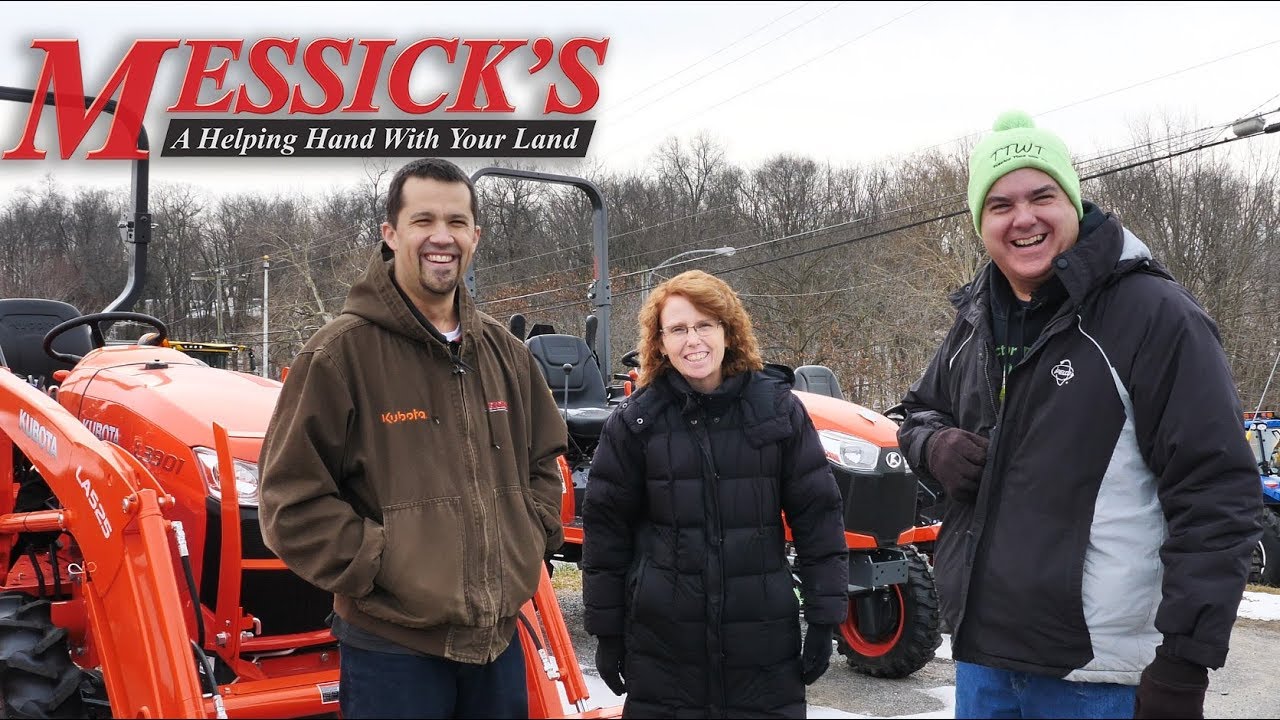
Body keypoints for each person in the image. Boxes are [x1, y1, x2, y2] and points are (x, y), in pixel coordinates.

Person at [897, 111, 1263, 719]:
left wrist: (1184, 662)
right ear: (981, 224)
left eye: (1042, 196)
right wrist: (935, 447)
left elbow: (1216, 493)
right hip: (983, 662)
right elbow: (914, 414)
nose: (1023, 218)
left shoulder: (1155, 315)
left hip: (1098, 677)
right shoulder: (974, 319)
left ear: (1073, 201)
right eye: (1000, 205)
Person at [258, 158, 568, 719]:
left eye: (456, 222)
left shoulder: (506, 355)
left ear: (475, 236)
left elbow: (544, 460)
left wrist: (530, 536)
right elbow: (288, 500)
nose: (441, 237)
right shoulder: (339, 355)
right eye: (423, 220)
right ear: (391, 233)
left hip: (496, 643)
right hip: (393, 651)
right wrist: (381, 563)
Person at [581, 269, 849, 718]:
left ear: (729, 331)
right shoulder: (635, 423)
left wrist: (825, 616)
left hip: (761, 645)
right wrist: (607, 631)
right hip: (664, 649)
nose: (693, 340)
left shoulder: (778, 411)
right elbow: (606, 533)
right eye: (678, 329)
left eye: (705, 325)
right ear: (660, 342)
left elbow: (818, 517)